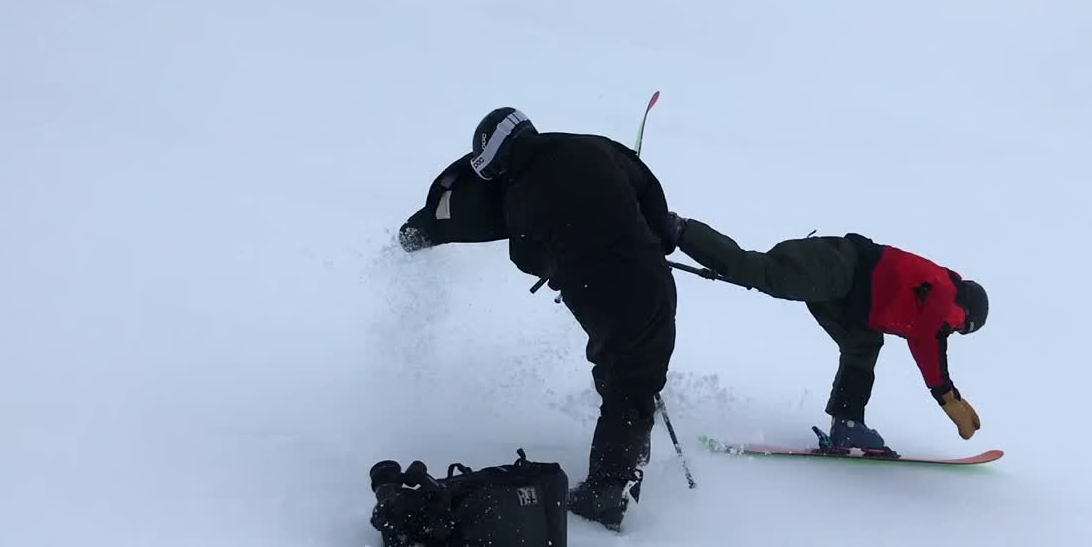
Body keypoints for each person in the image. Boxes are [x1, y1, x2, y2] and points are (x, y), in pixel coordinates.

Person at [398, 108, 678, 532]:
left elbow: (526, 257)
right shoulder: (591, 145)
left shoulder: (520, 199)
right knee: (635, 370)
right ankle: (629, 438)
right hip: (653, 280)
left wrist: (560, 264)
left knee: (626, 381)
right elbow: (646, 182)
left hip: (602, 299)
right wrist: (658, 232)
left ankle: (607, 492)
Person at [663, 213, 988, 453]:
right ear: (966, 311)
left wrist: (947, 393)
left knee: (863, 343)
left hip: (848, 298)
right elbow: (927, 337)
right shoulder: (945, 292)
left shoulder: (935, 304)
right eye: (962, 327)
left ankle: (849, 423)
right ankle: (678, 229)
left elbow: (925, 336)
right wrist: (946, 396)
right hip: (840, 268)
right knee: (760, 272)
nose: (955, 329)